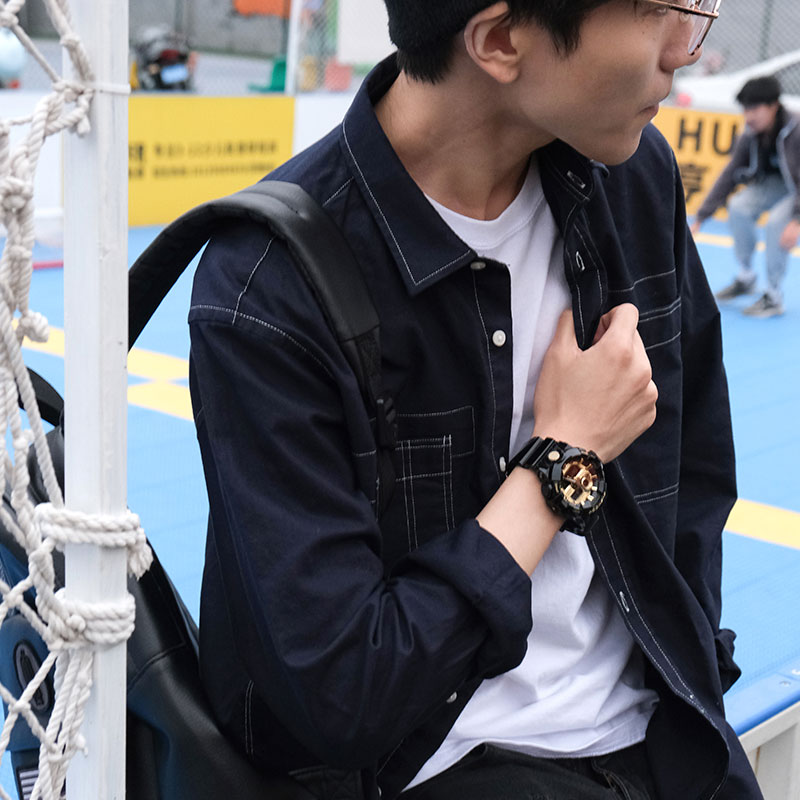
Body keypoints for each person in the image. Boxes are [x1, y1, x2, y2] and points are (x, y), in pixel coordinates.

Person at [188, 2, 762, 798]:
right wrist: (562, 462)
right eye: (659, 9)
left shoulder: (633, 179)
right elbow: (342, 691)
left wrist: (701, 658)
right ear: (499, 41)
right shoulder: (271, 287)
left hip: (665, 733)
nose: (686, 49)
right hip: (435, 765)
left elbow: (695, 466)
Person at [691, 75, 800, 318]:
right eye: (745, 109)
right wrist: (701, 217)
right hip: (774, 184)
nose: (748, 116)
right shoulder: (750, 134)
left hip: (796, 190)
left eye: (754, 109)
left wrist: (796, 221)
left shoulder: (797, 129)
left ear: (773, 106)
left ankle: (773, 296)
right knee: (739, 207)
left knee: (776, 224)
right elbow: (729, 175)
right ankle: (746, 277)